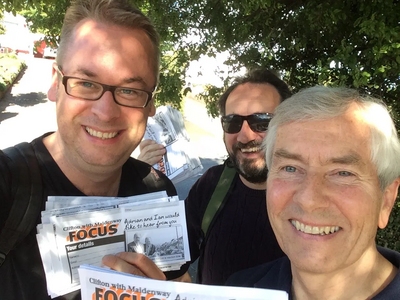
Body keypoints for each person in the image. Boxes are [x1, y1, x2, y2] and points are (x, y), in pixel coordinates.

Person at [0, 0, 178, 299]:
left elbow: (178, 280)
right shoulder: (6, 187)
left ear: (150, 104)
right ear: (56, 84)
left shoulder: (158, 193)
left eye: (130, 90)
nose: (106, 112)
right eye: (85, 83)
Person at [227, 86, 400, 299]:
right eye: (290, 168)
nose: (309, 200)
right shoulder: (238, 290)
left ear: (386, 200)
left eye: (343, 173)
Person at [173, 68, 290, 285]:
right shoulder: (212, 184)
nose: (245, 136)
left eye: (262, 121)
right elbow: (173, 257)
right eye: (233, 122)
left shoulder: (312, 196)